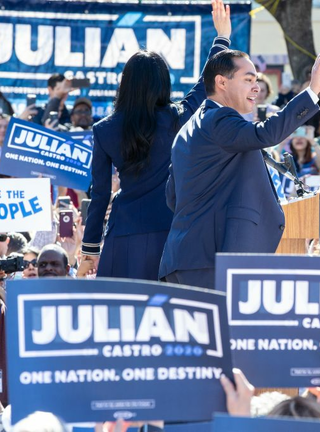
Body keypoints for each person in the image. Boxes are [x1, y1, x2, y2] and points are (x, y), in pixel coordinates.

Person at [158, 42, 320, 288]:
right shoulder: (220, 118)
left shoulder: (189, 128)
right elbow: (266, 134)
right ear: (221, 82)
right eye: (248, 79)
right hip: (212, 261)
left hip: (183, 258)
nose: (256, 87)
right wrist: (312, 91)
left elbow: (172, 198)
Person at [81, 0, 233, 281]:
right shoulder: (177, 117)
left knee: (122, 317)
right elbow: (205, 84)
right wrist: (221, 38)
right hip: (171, 231)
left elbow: (100, 195)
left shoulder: (104, 129)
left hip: (124, 233)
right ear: (164, 83)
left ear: (124, 82)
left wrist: (90, 250)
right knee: (166, 316)